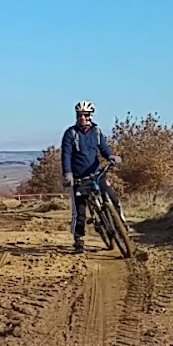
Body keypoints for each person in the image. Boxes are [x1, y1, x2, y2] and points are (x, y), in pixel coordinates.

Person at [60, 100, 115, 253]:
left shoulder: (96, 131)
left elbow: (103, 147)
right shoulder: (70, 133)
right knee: (80, 212)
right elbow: (66, 155)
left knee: (113, 198)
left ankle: (121, 225)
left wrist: (111, 156)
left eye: (85, 115)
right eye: (79, 115)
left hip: (96, 174)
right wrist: (68, 173)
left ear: (90, 116)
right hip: (78, 178)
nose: (82, 117)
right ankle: (78, 239)